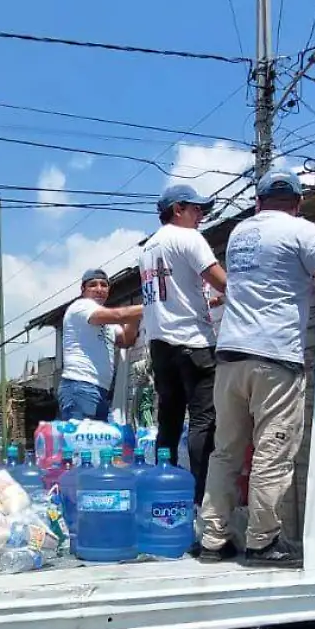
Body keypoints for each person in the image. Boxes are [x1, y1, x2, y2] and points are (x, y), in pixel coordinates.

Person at [197, 171, 315, 566]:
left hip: (231, 356)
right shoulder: (302, 232)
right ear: (298, 203)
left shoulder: (240, 234)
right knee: (273, 452)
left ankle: (213, 540)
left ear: (258, 202)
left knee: (226, 452)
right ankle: (263, 543)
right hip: (275, 357)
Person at [139, 183, 226, 505]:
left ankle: (165, 495)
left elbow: (173, 295)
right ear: (178, 210)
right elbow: (221, 280)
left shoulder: (148, 248)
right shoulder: (188, 237)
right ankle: (203, 503)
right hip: (193, 343)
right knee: (204, 420)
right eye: (196, 209)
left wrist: (209, 303)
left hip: (160, 345)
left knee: (169, 421)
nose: (201, 215)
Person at [59, 268, 143, 421]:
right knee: (83, 442)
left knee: (103, 442)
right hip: (80, 386)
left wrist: (134, 316)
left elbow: (126, 341)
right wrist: (150, 305)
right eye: (93, 285)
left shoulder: (105, 320)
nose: (99, 289)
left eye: (103, 285)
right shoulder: (81, 306)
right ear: (83, 290)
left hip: (100, 390)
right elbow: (119, 315)